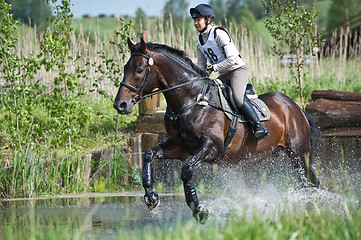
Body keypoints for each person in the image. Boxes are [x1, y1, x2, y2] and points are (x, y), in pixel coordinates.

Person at [190, 3, 269, 140]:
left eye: (198, 20)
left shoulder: (218, 34)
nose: (196, 23)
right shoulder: (199, 41)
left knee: (238, 97)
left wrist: (213, 68)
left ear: (208, 19)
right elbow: (201, 65)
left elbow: (232, 59)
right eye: (194, 21)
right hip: (223, 75)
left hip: (237, 70)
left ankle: (258, 126)